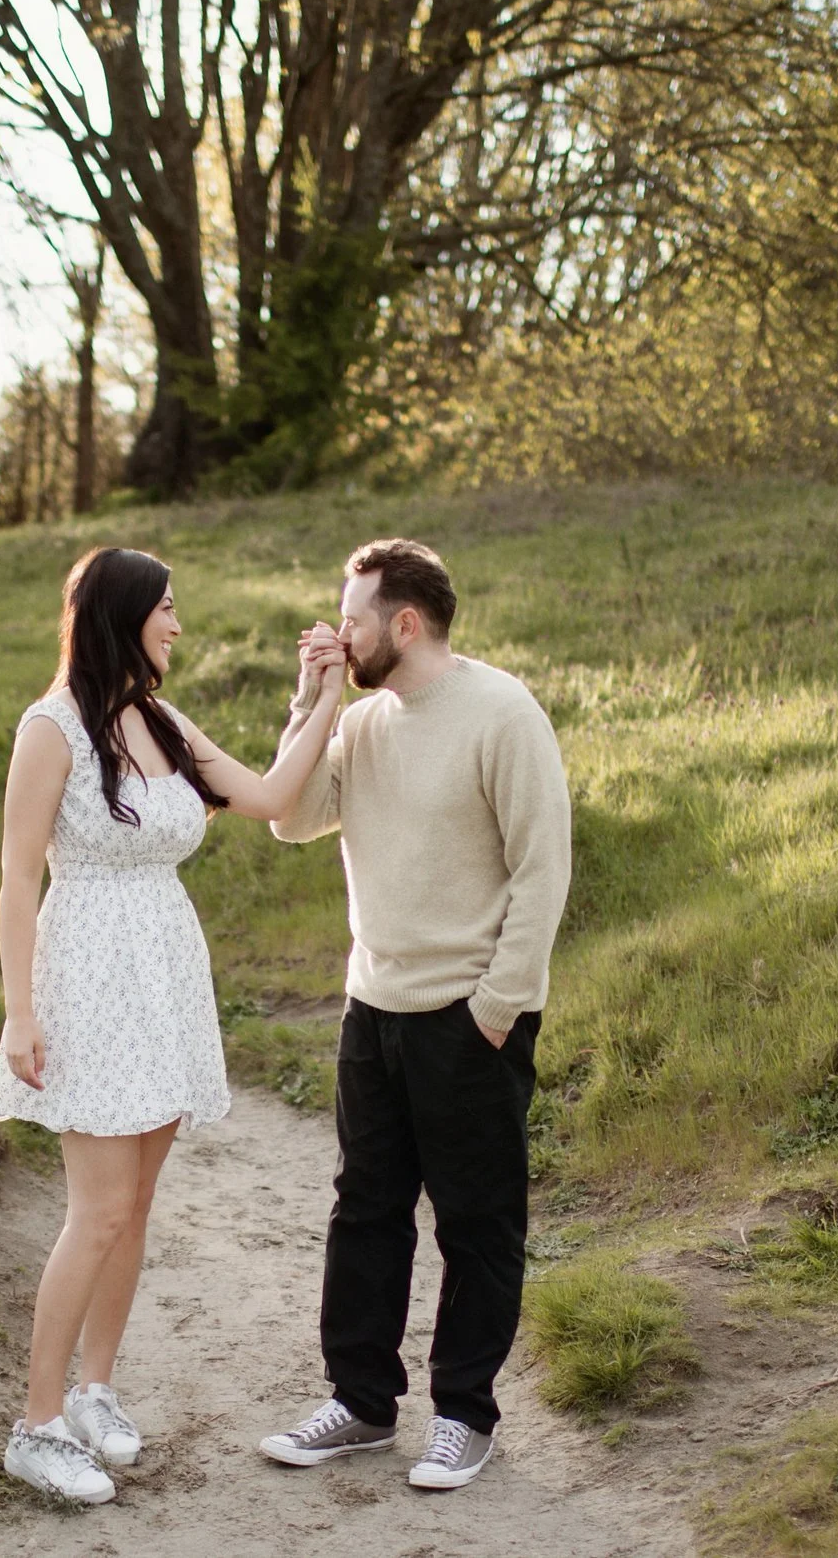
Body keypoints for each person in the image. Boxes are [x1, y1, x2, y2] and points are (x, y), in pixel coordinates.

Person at [0, 545, 348, 1504]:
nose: (179, 625)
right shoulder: (52, 727)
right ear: (125, 614)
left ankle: (94, 1390)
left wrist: (323, 698)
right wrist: (20, 1011)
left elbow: (268, 796)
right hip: (88, 977)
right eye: (167, 608)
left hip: (164, 975)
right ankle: (35, 1424)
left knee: (136, 1204)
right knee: (97, 1209)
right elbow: (17, 877)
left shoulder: (160, 719)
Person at [256, 538, 573, 1492]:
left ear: (404, 621)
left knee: (476, 1222)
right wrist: (313, 700)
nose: (335, 632)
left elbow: (542, 867)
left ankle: (464, 1415)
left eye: (350, 619)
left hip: (468, 1016)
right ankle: (360, 1402)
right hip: (373, 1008)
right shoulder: (359, 721)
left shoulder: (502, 712)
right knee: (366, 1210)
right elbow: (289, 817)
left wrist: (497, 1005)